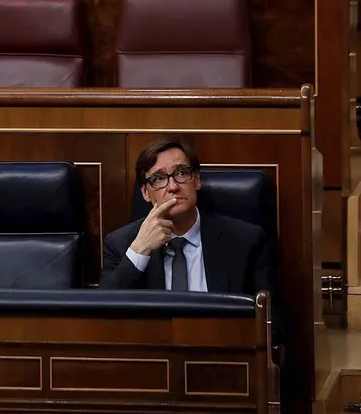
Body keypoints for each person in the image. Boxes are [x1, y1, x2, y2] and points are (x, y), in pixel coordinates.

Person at [99, 138, 284, 348]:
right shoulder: (121, 244)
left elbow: (272, 324)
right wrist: (139, 251)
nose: (173, 186)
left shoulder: (245, 240)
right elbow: (104, 320)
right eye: (159, 178)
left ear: (196, 180)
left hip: (224, 362)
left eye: (181, 173)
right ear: (145, 192)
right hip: (154, 365)